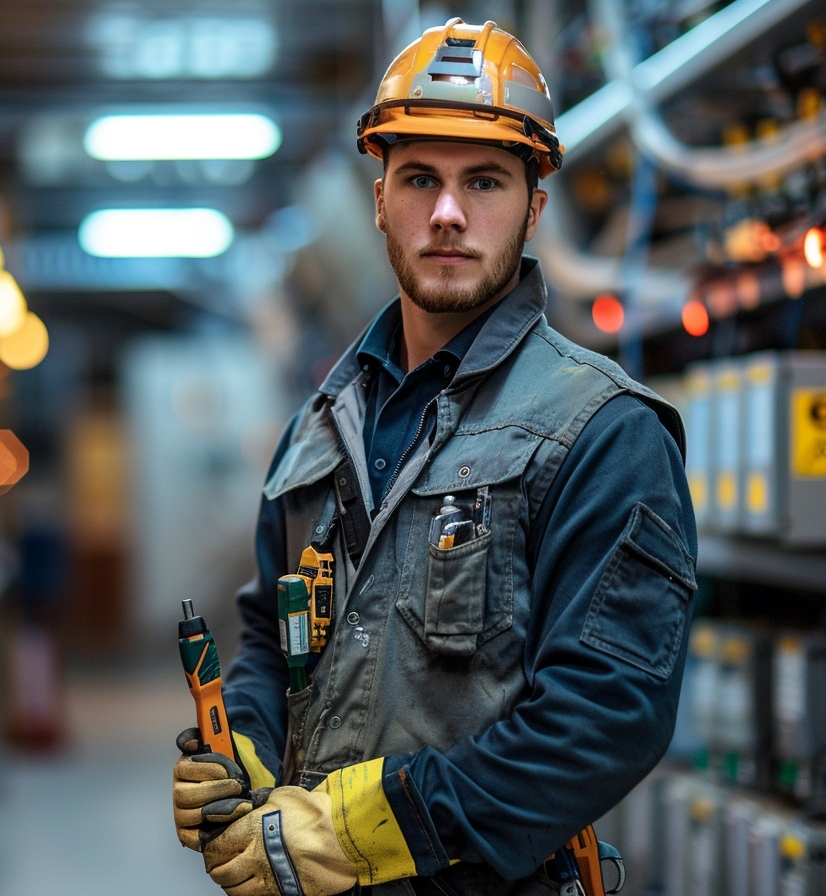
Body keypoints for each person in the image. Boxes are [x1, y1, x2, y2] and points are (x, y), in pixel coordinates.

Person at [172, 17, 697, 896]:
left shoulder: (602, 430)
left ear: (534, 206)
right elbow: (270, 635)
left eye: (483, 181)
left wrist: (365, 827)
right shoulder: (319, 428)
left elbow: (606, 718)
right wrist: (247, 755)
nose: (448, 213)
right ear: (379, 197)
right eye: (419, 178)